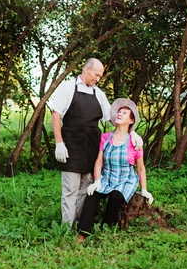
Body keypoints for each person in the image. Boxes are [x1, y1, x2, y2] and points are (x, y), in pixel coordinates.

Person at [50, 59, 143, 226]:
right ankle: (66, 229)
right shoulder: (67, 87)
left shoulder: (98, 94)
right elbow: (56, 115)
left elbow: (113, 118)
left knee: (86, 190)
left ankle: (78, 224)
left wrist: (133, 132)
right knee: (70, 190)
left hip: (92, 149)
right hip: (71, 147)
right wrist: (59, 143)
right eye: (96, 74)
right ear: (86, 70)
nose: (98, 79)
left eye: (100, 76)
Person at [76, 98, 153, 243]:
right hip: (107, 177)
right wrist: (97, 181)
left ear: (131, 120)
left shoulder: (135, 142)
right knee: (92, 195)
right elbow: (99, 161)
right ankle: (83, 233)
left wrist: (144, 189)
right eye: (119, 112)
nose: (120, 114)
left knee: (116, 197)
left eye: (124, 113)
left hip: (125, 180)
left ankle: (106, 228)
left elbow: (141, 168)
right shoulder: (106, 137)